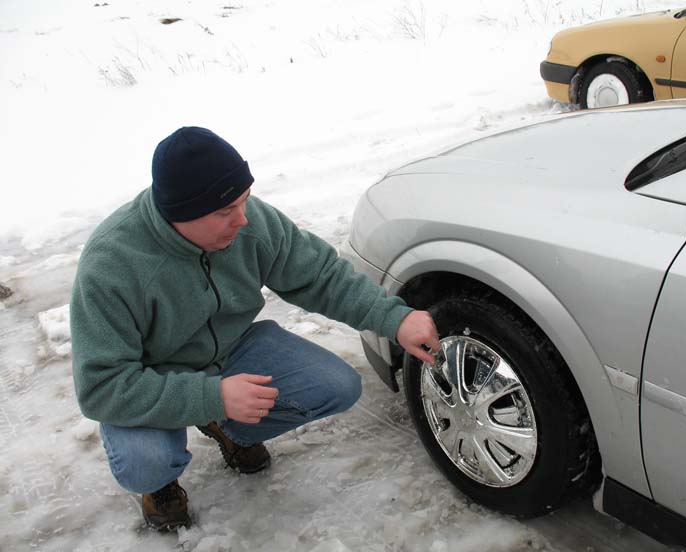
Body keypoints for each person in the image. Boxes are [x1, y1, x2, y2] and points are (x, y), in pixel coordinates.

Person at [70, 126, 440, 531]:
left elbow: (320, 276)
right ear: (180, 215)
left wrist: (394, 317)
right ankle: (160, 483)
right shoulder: (112, 265)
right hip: (151, 375)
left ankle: (225, 426)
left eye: (244, 202)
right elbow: (102, 386)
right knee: (146, 462)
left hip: (231, 351)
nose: (242, 220)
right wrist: (212, 395)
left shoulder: (246, 220)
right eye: (225, 212)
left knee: (336, 385)